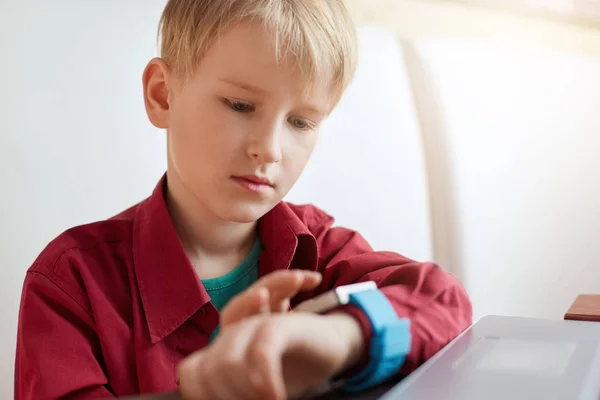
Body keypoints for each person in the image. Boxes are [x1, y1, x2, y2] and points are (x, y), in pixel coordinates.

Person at [14, 1, 472, 399]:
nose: (269, 149)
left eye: (301, 122)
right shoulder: (70, 285)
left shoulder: (320, 251)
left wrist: (339, 334)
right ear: (162, 95)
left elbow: (444, 302)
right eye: (240, 105)